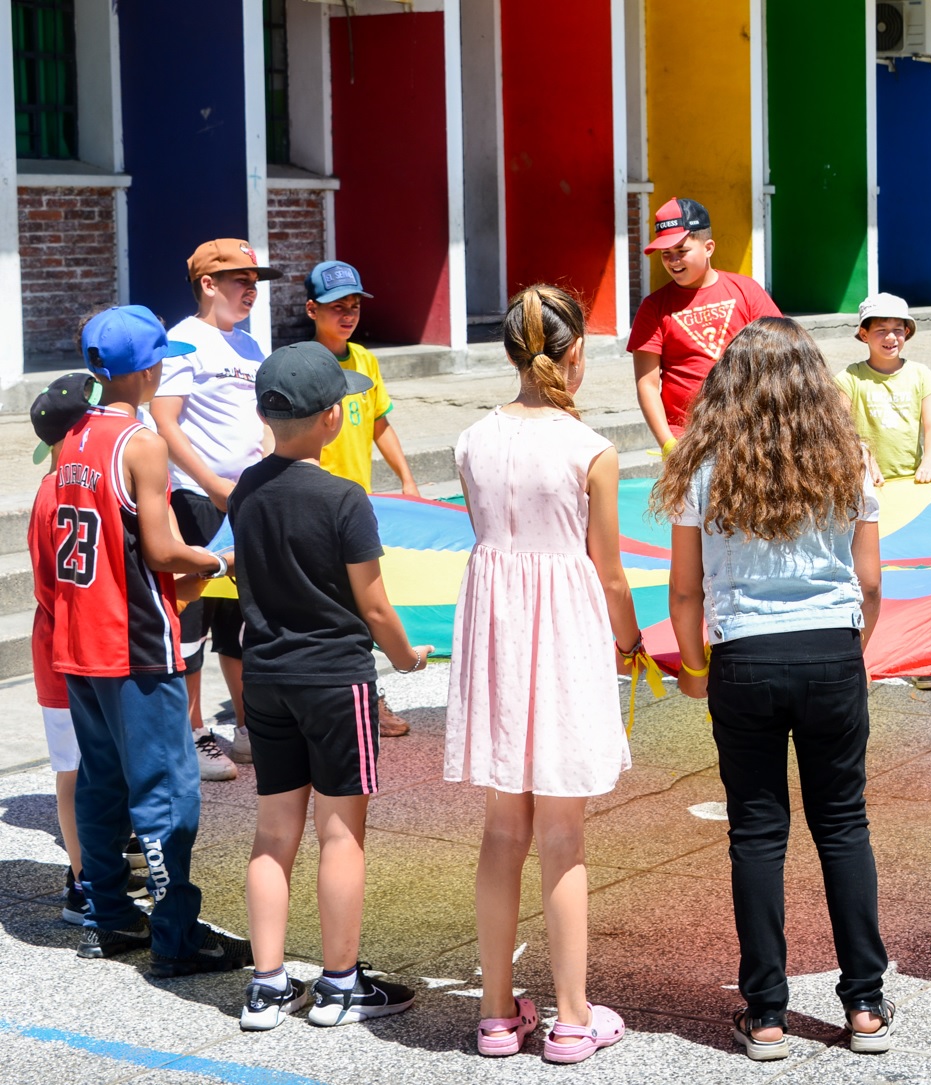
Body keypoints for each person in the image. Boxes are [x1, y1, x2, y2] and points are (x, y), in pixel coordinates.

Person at [654, 317, 893, 1062]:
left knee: (756, 831)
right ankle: (864, 1004)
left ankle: (765, 1014)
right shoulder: (846, 457)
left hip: (743, 657)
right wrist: (850, 649)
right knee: (843, 824)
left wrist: (695, 668)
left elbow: (685, 592)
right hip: (829, 651)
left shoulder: (704, 466)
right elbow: (872, 581)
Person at [445, 285, 640, 1063]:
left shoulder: (470, 439)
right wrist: (629, 640)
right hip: (563, 633)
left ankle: (496, 1013)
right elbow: (611, 570)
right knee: (564, 832)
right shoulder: (590, 448)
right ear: (574, 354)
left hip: (497, 632)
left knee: (502, 830)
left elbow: (489, 539)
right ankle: (569, 1016)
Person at [231, 341, 432, 1030]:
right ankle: (341, 983)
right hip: (335, 679)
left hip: (266, 677)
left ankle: (267, 984)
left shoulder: (245, 490)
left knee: (273, 832)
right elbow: (374, 606)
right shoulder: (345, 499)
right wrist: (407, 658)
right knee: (341, 833)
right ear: (331, 419)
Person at [54, 305, 252, 976]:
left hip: (80, 639)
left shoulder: (73, 433)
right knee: (166, 792)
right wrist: (220, 561)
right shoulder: (142, 443)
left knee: (102, 782)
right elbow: (164, 549)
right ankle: (175, 935)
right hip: (135, 639)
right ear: (148, 368)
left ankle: (107, 915)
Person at [151, 238, 280, 779]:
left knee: (241, 617)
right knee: (193, 618)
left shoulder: (250, 347)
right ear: (208, 284)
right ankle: (195, 731)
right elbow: (164, 420)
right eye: (240, 281)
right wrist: (211, 486)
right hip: (196, 499)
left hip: (245, 498)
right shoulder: (183, 341)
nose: (251, 291)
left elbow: (263, 422)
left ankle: (248, 728)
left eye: (255, 282)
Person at [27, 372, 149, 924]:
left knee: (89, 766)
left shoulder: (56, 488)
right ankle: (83, 879)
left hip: (71, 645)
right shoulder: (58, 494)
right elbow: (49, 587)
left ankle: (94, 869)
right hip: (67, 649)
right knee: (77, 770)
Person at [307, 258, 420, 739]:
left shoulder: (366, 361)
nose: (348, 314)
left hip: (358, 505)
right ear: (312, 309)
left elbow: (379, 423)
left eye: (353, 305)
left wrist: (407, 479)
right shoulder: (302, 364)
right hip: (315, 506)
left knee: (362, 603)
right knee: (328, 607)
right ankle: (337, 697)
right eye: (336, 306)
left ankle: (366, 696)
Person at [628, 197, 781, 452]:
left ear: (708, 247)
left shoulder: (746, 291)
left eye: (682, 251)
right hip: (688, 440)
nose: (673, 260)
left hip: (750, 433)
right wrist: (668, 444)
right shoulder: (653, 308)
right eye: (666, 254)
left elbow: (782, 356)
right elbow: (647, 384)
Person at [834, 292, 931, 486]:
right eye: (881, 330)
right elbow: (841, 429)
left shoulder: (922, 375)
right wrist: (863, 457)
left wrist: (927, 463)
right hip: (865, 481)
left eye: (897, 329)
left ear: (906, 333)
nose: (891, 337)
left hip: (911, 480)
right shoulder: (849, 378)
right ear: (864, 334)